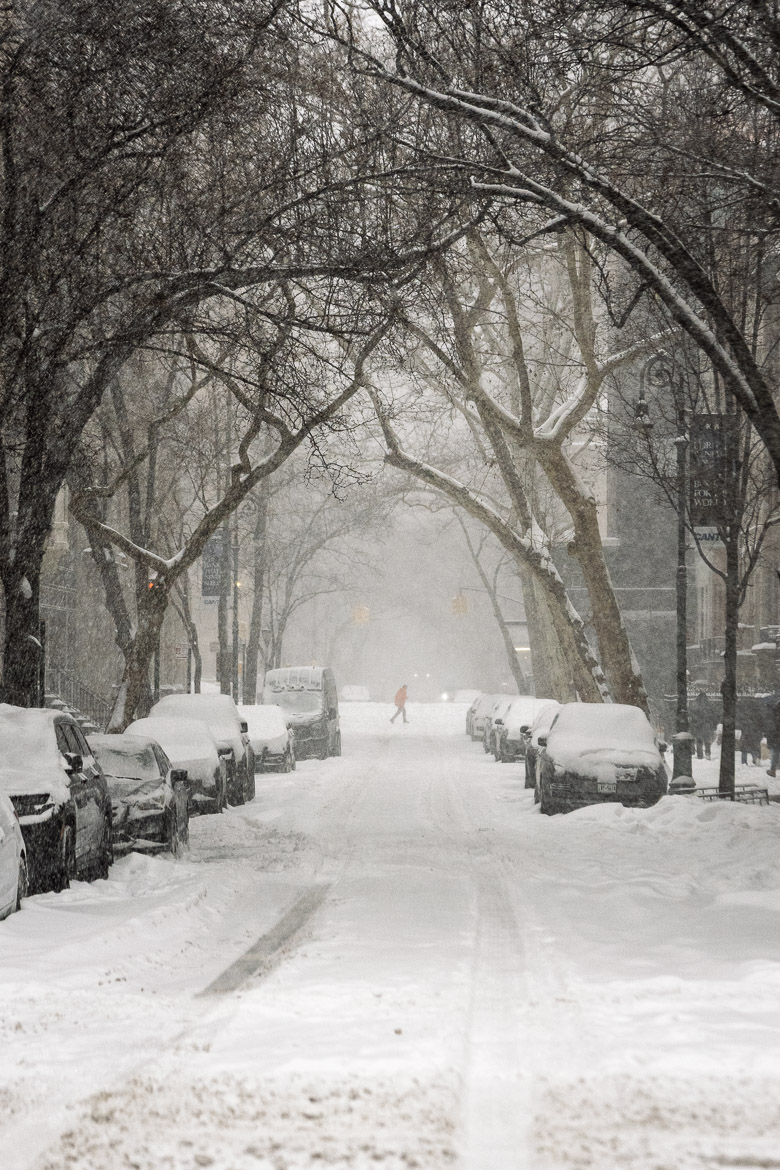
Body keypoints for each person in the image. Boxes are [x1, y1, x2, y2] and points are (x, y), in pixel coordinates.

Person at [689, 690, 717, 760]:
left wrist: (694, 723)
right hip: (707, 726)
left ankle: (700, 755)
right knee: (707, 741)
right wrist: (712, 724)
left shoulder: (695, 705)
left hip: (698, 726)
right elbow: (713, 716)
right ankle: (707, 753)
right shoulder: (709, 705)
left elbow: (693, 716)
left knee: (699, 741)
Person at [738, 701, 763, 767]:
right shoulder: (758, 714)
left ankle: (744, 762)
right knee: (755, 747)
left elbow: (741, 724)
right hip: (755, 733)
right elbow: (761, 724)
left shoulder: (745, 714)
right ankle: (756, 758)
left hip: (746, 733)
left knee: (744, 748)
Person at [766, 696, 780, 777]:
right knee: (776, 753)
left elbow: (774, 726)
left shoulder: (776, 714)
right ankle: (773, 769)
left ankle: (773, 770)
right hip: (777, 736)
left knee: (776, 753)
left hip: (777, 736)